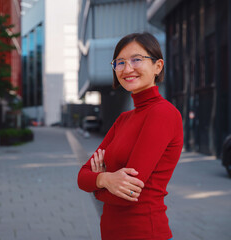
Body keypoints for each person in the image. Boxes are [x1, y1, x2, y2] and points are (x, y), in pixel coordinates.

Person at [77, 32, 183, 240]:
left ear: (157, 66)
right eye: (120, 62)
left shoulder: (163, 113)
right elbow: (82, 176)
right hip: (110, 232)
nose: (127, 69)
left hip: (145, 233)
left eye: (137, 60)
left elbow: (129, 193)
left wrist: (96, 185)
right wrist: (107, 179)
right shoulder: (123, 119)